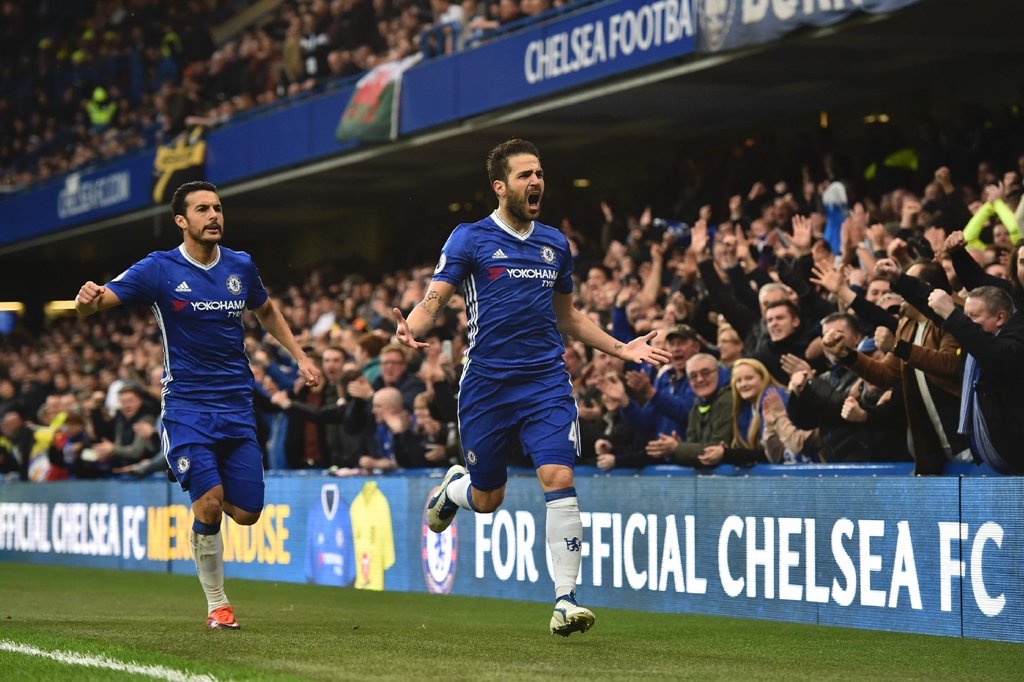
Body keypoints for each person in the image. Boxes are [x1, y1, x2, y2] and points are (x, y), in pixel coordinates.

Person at [392, 139, 671, 636]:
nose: (536, 181)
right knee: (487, 499)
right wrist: (412, 327)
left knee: (559, 479)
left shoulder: (555, 243)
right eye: (524, 175)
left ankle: (565, 601)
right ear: (500, 187)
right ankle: (454, 490)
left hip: (545, 382)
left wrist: (621, 348)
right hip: (486, 387)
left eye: (539, 173)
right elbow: (434, 301)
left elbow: (568, 317)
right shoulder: (470, 238)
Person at [73, 180, 320, 630]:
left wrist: (299, 355)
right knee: (208, 503)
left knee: (246, 514)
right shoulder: (159, 269)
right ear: (182, 221)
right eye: (203, 209)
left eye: (219, 208)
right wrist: (84, 302)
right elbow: (99, 303)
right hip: (186, 407)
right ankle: (217, 604)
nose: (214, 216)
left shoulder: (240, 266)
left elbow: (265, 310)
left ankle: (201, 479)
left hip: (236, 407)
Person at [926, 285, 1024, 474]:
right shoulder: (970, 343)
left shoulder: (1012, 345)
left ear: (1000, 318)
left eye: (974, 317)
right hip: (993, 459)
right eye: (965, 316)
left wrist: (953, 316)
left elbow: (994, 352)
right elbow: (931, 308)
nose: (966, 323)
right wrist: (899, 279)